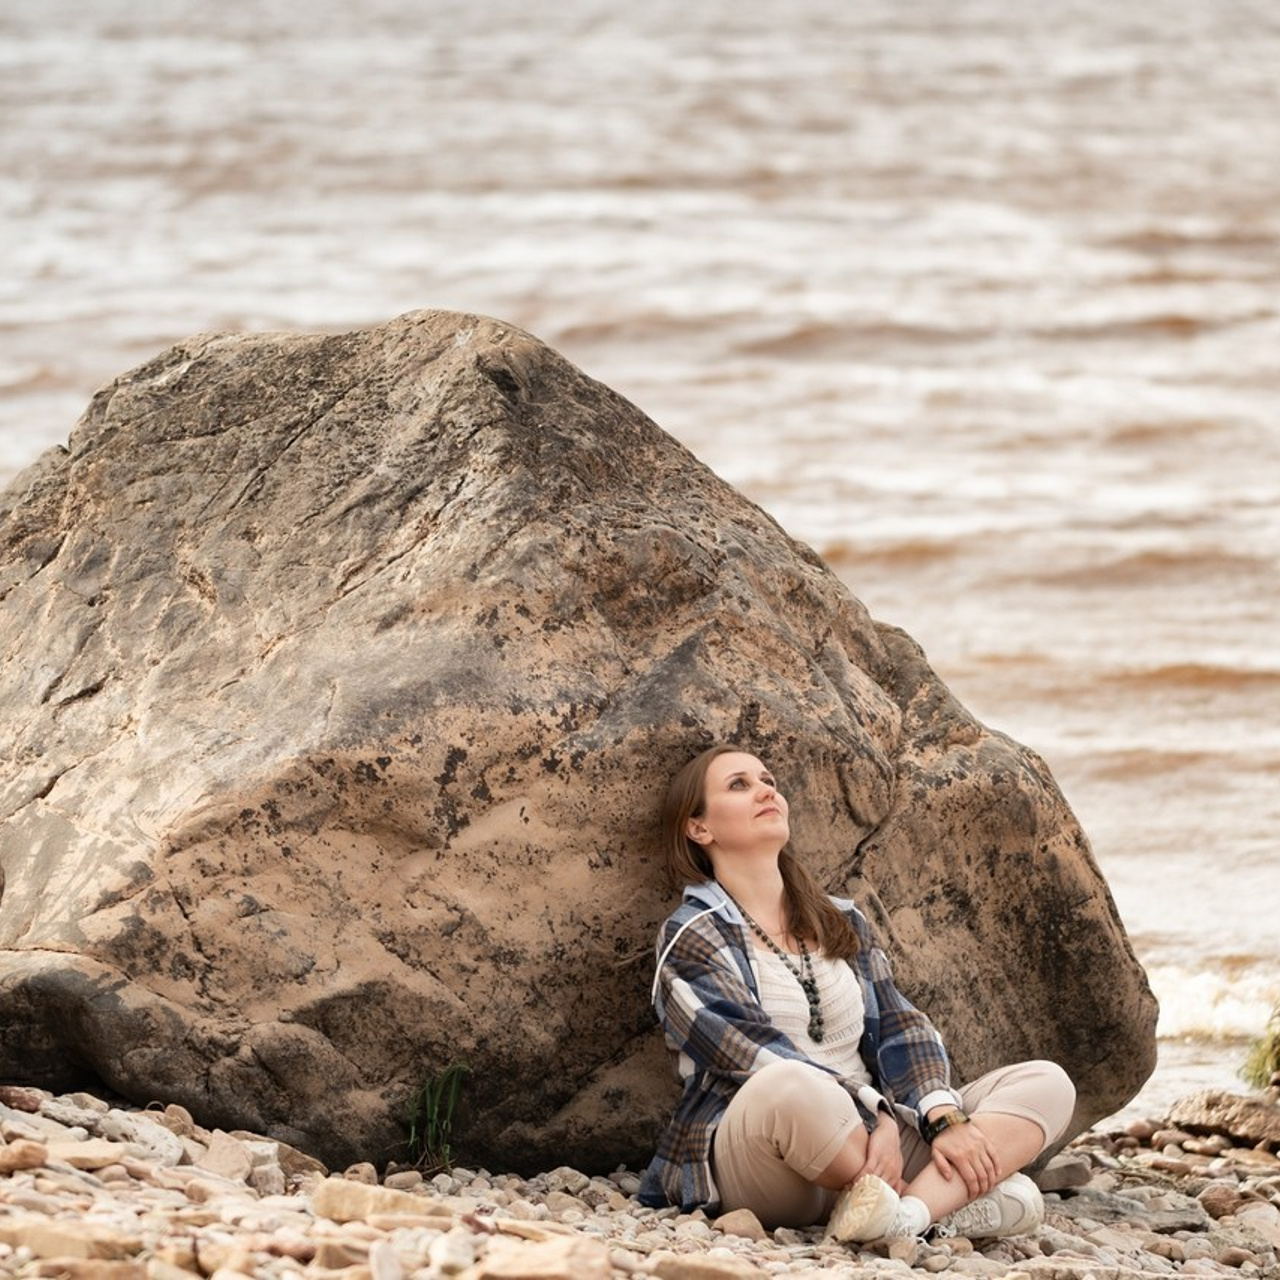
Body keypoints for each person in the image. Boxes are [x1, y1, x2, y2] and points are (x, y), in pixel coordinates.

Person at [637, 743, 1077, 1243]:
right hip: (774, 1159)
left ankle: (903, 1216)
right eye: (739, 784)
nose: (765, 791)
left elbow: (899, 1028)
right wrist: (881, 1118)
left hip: (873, 1145)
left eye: (769, 781)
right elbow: (751, 1055)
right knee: (787, 1083)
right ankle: (947, 1201)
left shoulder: (840, 919)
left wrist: (942, 1118)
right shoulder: (691, 936)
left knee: (1048, 1082)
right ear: (699, 828)